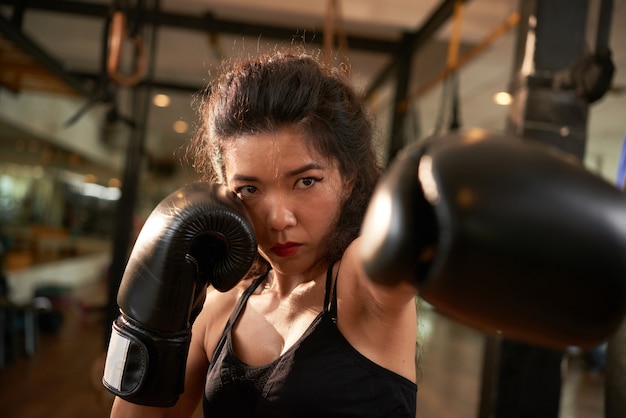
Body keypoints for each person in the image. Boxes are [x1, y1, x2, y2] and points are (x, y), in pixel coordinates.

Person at [110, 49, 419, 417]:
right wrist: (147, 323)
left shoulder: (361, 282)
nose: (278, 219)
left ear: (349, 178)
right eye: (250, 190)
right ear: (224, 191)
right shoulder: (223, 305)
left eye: (306, 181)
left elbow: (404, 249)